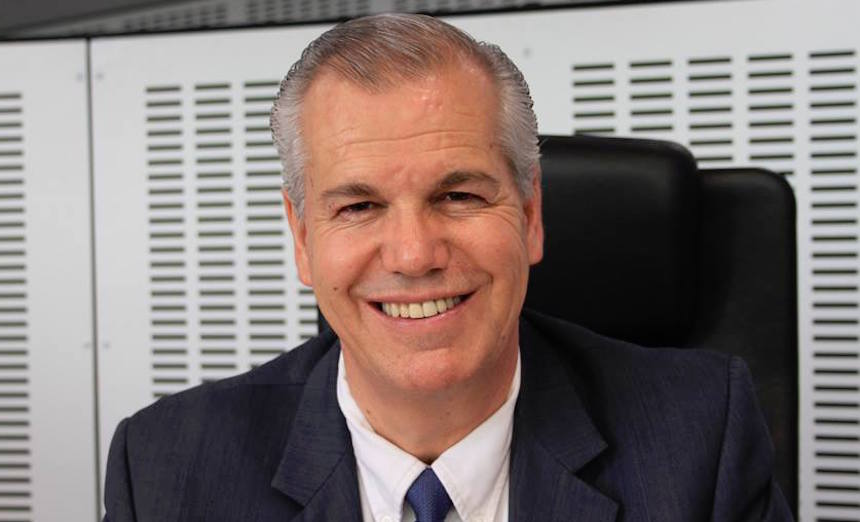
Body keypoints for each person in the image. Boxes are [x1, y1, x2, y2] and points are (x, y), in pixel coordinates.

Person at [103, 13, 792, 522]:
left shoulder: (701, 438)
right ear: (303, 239)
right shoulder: (167, 469)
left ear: (530, 215)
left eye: (459, 196)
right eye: (359, 206)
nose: (413, 255)